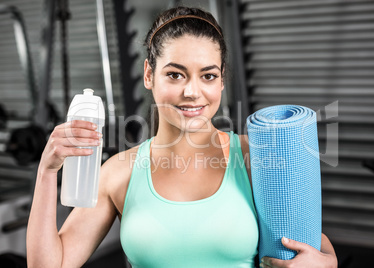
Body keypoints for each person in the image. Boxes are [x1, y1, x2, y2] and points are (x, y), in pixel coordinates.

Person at [27, 6, 337, 268]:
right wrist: (47, 170)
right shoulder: (119, 173)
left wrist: (328, 261)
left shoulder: (256, 156)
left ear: (221, 79)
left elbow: (311, 240)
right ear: (149, 75)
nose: (192, 92)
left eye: (208, 75)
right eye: (175, 74)